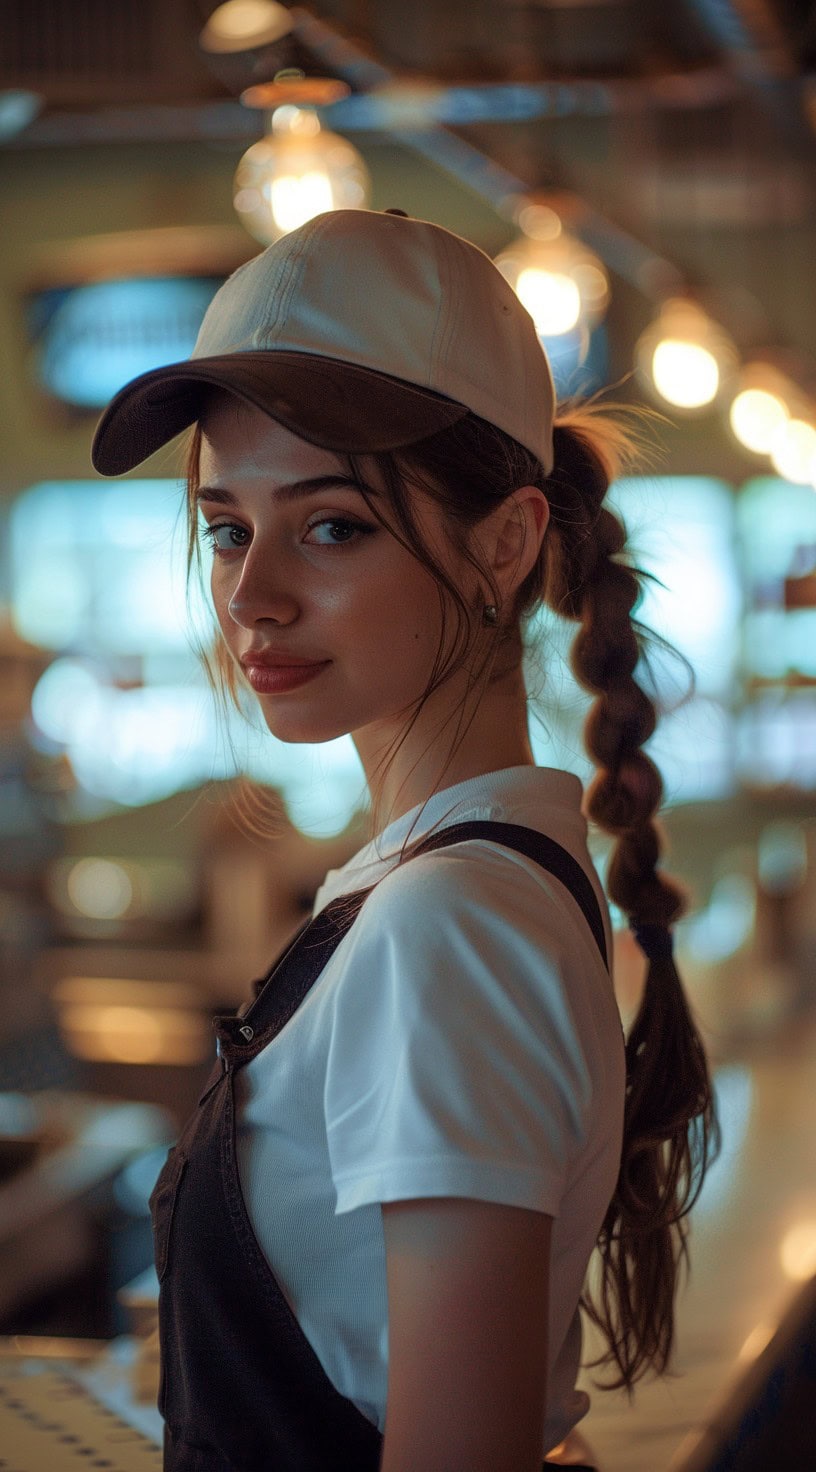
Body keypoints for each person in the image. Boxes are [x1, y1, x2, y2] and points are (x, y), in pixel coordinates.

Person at [92, 206, 721, 1472]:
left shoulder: (450, 923)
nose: (253, 595)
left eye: (333, 524)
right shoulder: (455, 881)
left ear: (507, 542)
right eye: (228, 526)